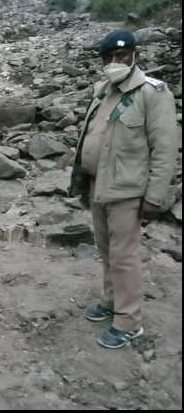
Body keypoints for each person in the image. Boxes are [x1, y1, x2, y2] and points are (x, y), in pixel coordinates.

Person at [69, 29, 180, 349]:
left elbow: (165, 149)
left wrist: (155, 196)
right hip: (98, 186)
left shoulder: (152, 93)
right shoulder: (102, 90)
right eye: (109, 58)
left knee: (124, 256)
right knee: (106, 251)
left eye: (122, 55)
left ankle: (129, 322)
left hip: (127, 191)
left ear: (134, 56)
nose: (115, 61)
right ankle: (110, 300)